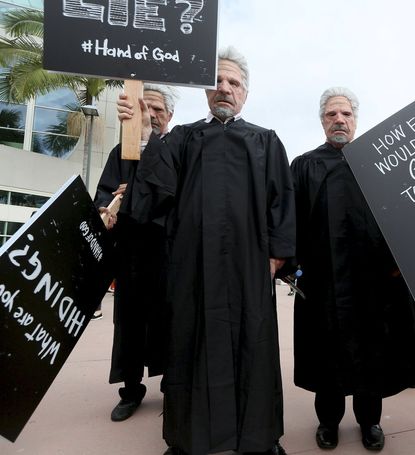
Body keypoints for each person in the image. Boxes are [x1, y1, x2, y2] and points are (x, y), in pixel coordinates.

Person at [117, 46, 294, 455]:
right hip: (192, 268)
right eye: (217, 81)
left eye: (234, 82)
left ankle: (260, 438)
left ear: (245, 93)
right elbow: (151, 195)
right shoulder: (181, 139)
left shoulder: (266, 142)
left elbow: (282, 203)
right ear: (205, 91)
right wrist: (143, 133)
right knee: (187, 345)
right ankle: (185, 439)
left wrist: (277, 256)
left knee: (254, 347)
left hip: (250, 268)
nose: (225, 89)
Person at [290, 87, 415, 452]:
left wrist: (403, 266)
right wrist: (293, 271)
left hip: (374, 285)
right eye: (332, 114)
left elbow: (406, 216)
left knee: (372, 357)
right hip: (322, 285)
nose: (339, 120)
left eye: (346, 114)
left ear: (356, 120)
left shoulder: (380, 164)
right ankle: (328, 423)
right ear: (322, 121)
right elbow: (289, 222)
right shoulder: (304, 165)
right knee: (326, 358)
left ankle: (370, 422)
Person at [94, 83, 178, 422]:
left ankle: (174, 387)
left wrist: (142, 192)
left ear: (169, 116)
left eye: (158, 109)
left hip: (167, 255)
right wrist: (107, 208)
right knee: (129, 324)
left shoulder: (177, 151)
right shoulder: (120, 152)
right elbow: (103, 193)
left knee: (170, 323)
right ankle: (131, 390)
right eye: (147, 108)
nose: (152, 114)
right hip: (130, 256)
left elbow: (175, 198)